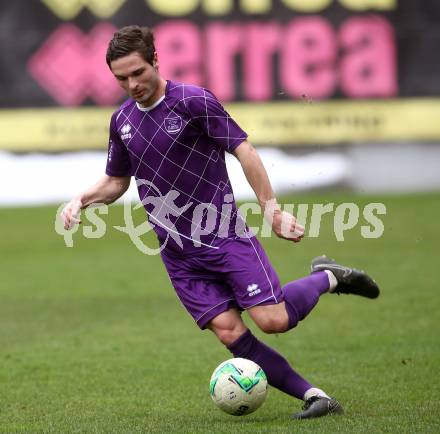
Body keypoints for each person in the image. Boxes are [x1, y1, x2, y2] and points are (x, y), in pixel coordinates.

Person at [61, 25, 380, 420]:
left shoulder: (193, 101)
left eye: (138, 72)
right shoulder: (122, 120)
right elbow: (116, 181)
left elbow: (244, 150)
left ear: (156, 61)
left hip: (225, 236)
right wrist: (81, 200)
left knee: (273, 320)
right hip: (177, 254)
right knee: (230, 332)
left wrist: (271, 209)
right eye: (121, 78)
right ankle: (316, 397)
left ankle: (329, 276)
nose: (132, 84)